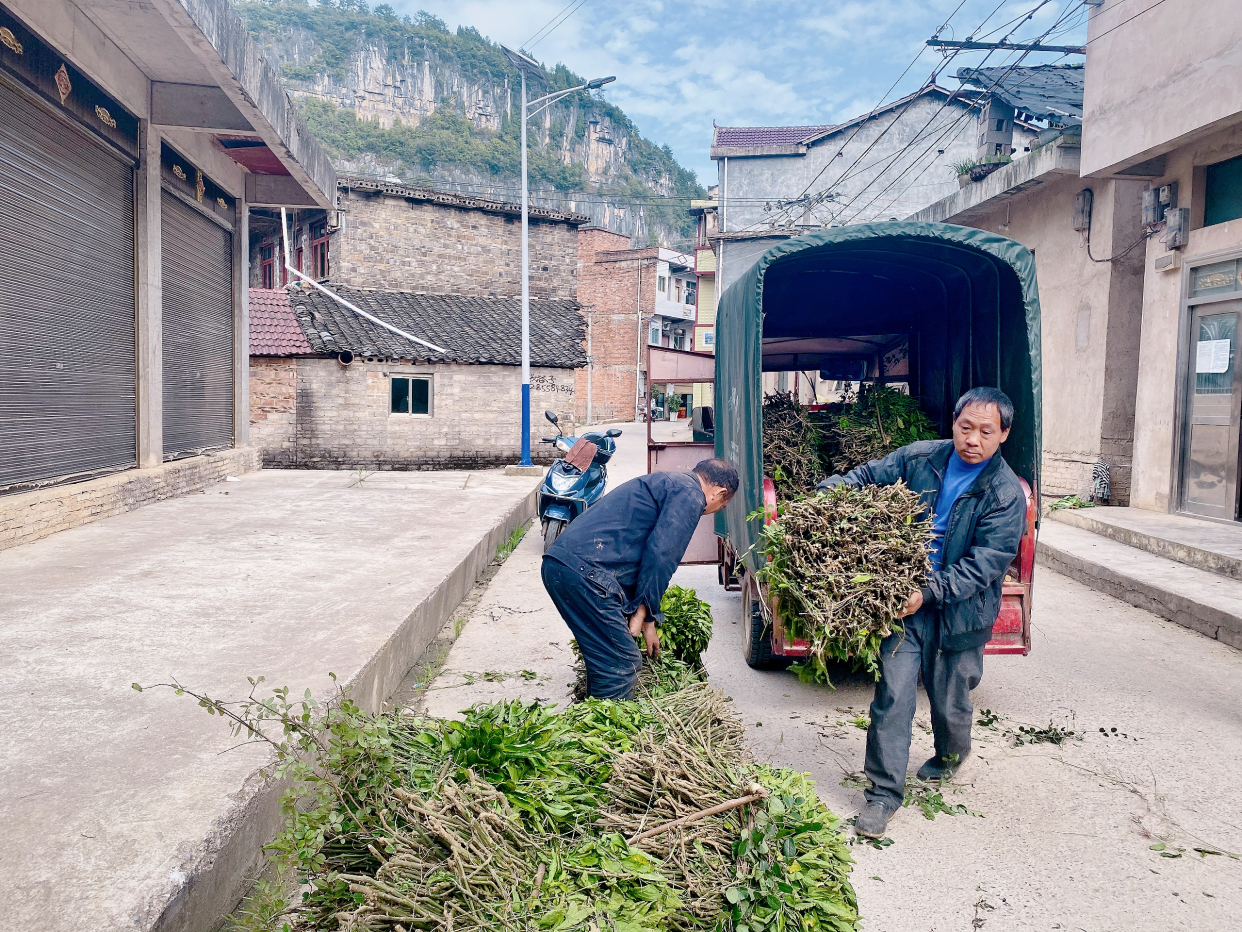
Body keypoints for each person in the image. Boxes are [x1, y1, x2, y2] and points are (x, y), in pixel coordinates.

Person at [816, 387, 1027, 839]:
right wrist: (826, 497)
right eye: (965, 427)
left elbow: (986, 563)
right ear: (953, 423)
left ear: (1003, 434)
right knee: (892, 696)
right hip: (904, 606)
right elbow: (870, 474)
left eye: (985, 432)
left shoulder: (1006, 493)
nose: (972, 439)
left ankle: (949, 757)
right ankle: (882, 796)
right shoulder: (920, 459)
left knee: (950, 700)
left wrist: (929, 591)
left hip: (960, 612)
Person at [542, 458, 739, 699]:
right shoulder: (691, 495)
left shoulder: (667, 483)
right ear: (720, 493)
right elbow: (661, 556)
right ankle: (611, 733)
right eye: (722, 505)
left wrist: (646, 620)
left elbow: (649, 552)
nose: (715, 510)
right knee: (622, 663)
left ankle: (589, 721)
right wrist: (645, 611)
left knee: (605, 662)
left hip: (562, 565)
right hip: (586, 574)